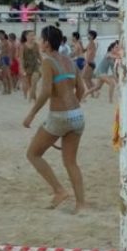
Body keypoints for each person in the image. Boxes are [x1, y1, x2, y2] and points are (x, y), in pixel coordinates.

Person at [23, 26, 87, 213]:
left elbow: (46, 92)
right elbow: (81, 91)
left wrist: (31, 114)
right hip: (77, 115)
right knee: (71, 162)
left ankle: (59, 190)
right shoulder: (70, 61)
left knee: (33, 154)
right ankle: (81, 204)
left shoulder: (48, 61)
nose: (39, 42)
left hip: (59, 117)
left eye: (41, 39)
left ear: (47, 43)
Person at [22, 30, 41, 101]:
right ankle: (33, 97)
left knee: (34, 82)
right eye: (30, 35)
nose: (32, 37)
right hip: (26, 66)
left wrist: (43, 63)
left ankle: (30, 98)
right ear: (26, 36)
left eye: (33, 35)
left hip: (35, 65)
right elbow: (21, 58)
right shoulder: (23, 46)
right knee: (29, 83)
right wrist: (22, 68)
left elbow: (39, 55)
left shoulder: (36, 45)